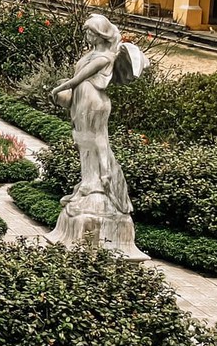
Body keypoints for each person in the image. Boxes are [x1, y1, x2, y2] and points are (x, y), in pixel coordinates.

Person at [45, 14, 148, 259]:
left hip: (93, 100)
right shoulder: (93, 53)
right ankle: (89, 182)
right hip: (84, 98)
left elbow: (79, 78)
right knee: (84, 142)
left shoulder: (104, 56)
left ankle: (101, 181)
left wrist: (59, 88)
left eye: (89, 32)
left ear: (99, 33)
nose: (86, 36)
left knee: (94, 141)